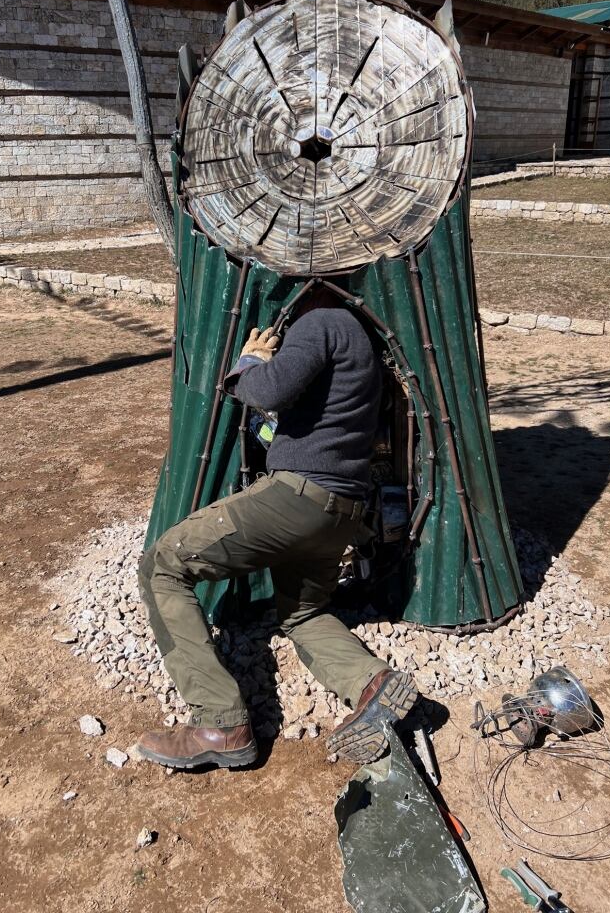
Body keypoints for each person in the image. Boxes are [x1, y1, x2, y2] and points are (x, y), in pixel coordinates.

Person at [135, 290, 418, 770]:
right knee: (303, 614)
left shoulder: (322, 321)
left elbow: (267, 391)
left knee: (163, 564)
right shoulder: (361, 338)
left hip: (297, 498)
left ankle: (219, 722)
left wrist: (249, 361)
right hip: (341, 512)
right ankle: (372, 684)